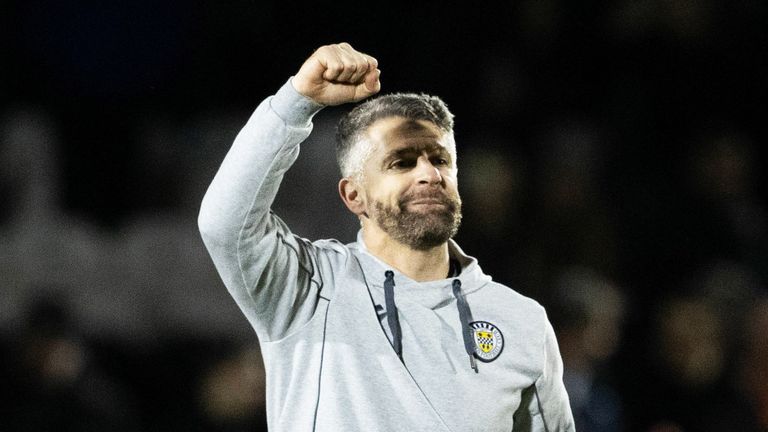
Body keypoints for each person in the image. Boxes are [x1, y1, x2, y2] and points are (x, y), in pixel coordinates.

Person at [199, 42, 575, 432]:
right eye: (403, 163)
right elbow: (225, 223)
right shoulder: (308, 287)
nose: (429, 174)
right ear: (353, 195)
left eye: (440, 159)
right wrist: (297, 101)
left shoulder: (521, 322)